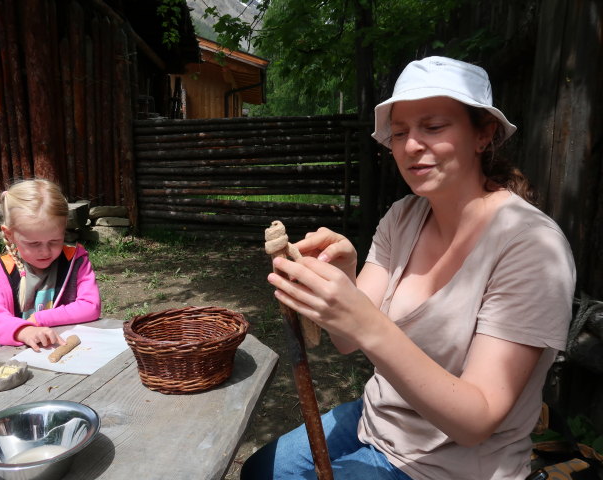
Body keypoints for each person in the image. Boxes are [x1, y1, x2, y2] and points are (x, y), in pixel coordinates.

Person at [241, 56, 576, 480]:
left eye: (433, 127)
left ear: (483, 134)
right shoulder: (403, 217)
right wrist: (345, 273)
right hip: (380, 419)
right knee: (260, 471)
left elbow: (478, 420)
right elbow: (347, 340)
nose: (411, 145)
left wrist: (366, 323)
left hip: (453, 465)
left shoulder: (531, 247)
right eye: (400, 133)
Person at [0, 179, 101, 352]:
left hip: (72, 350)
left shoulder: (75, 260)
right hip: (20, 356)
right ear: (10, 234)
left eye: (54, 241)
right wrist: (24, 330)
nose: (45, 252)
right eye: (34, 243)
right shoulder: (1, 271)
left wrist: (39, 319)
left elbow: (90, 306)